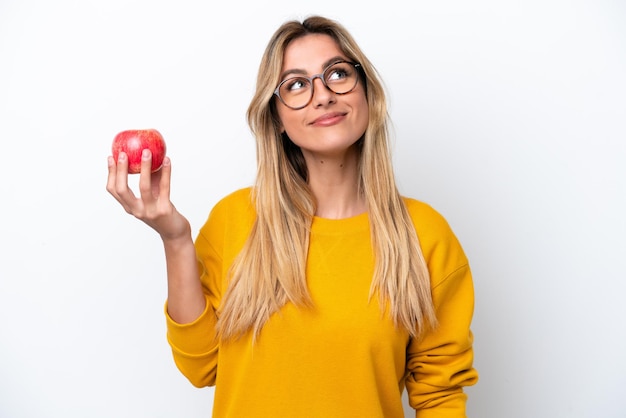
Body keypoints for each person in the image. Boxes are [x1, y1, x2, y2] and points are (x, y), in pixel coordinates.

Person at [107, 15, 478, 418]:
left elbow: (440, 395)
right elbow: (202, 366)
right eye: (297, 85)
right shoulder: (235, 220)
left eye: (337, 74)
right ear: (277, 119)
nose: (323, 96)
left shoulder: (425, 235)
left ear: (367, 95)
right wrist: (175, 240)